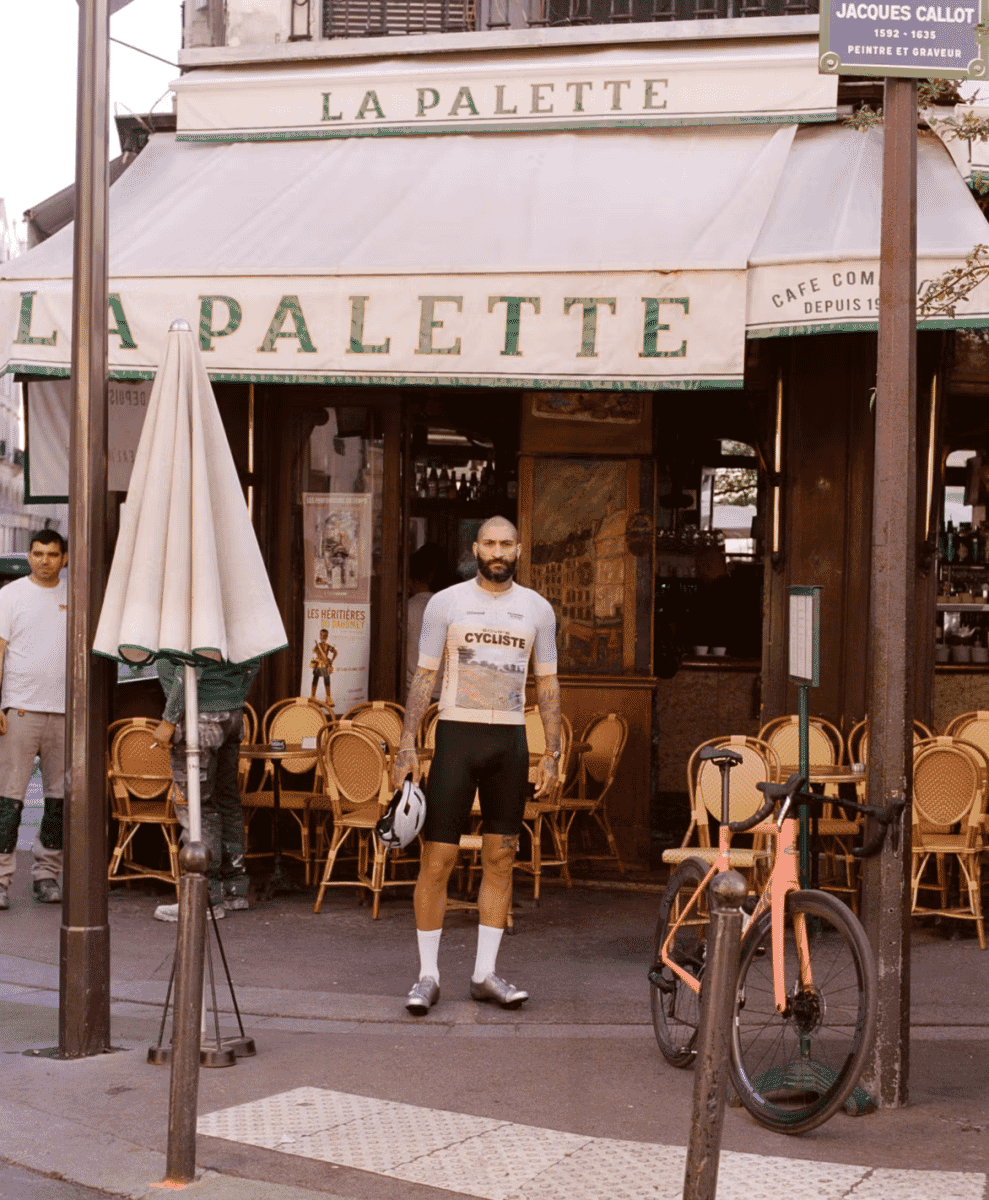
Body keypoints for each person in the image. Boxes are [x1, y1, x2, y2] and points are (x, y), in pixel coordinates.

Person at [393, 516, 560, 1014]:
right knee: (437, 859)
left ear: (519, 549)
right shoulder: (446, 602)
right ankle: (427, 975)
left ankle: (485, 973)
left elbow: (548, 683)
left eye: (506, 543)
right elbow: (424, 677)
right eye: (489, 543)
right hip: (456, 737)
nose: (498, 551)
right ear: (475, 548)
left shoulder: (538, 609)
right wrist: (406, 744)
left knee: (501, 857)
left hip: (509, 740)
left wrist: (551, 751)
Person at [151, 656, 260, 920]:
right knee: (226, 800)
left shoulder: (190, 614)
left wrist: (169, 719)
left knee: (197, 804)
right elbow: (255, 658)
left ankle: (205, 897)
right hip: (232, 712)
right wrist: (234, 695)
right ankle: (234, 889)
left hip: (200, 714)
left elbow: (190, 661)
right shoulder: (233, 616)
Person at [0, 530, 68, 911]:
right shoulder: (10, 595)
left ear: (65, 558)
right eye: (38, 553)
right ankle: (0, 879)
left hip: (64, 712)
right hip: (21, 708)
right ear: (29, 557)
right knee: (9, 798)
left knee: (58, 801)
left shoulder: (76, 596)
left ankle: (47, 875)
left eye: (53, 554)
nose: (45, 560)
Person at [404, 542, 447, 701]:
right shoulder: (447, 610)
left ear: (409, 578)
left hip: (413, 693)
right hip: (442, 693)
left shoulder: (407, 609)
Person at [310, 629, 338, 703]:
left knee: (327, 681)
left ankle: (328, 697)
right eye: (321, 635)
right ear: (320, 636)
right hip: (318, 664)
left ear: (327, 637)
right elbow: (314, 651)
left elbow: (335, 652)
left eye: (325, 636)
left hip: (325, 665)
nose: (323, 637)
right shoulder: (317, 645)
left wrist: (331, 660)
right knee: (315, 680)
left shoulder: (327, 646)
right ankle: (313, 696)